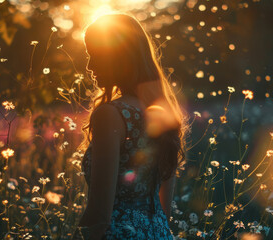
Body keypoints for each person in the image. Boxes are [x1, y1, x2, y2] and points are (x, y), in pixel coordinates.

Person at [74, 13, 189, 240]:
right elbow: (163, 207)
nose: (88, 65)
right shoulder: (164, 114)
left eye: (94, 54)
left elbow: (99, 216)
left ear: (117, 55)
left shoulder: (111, 115)